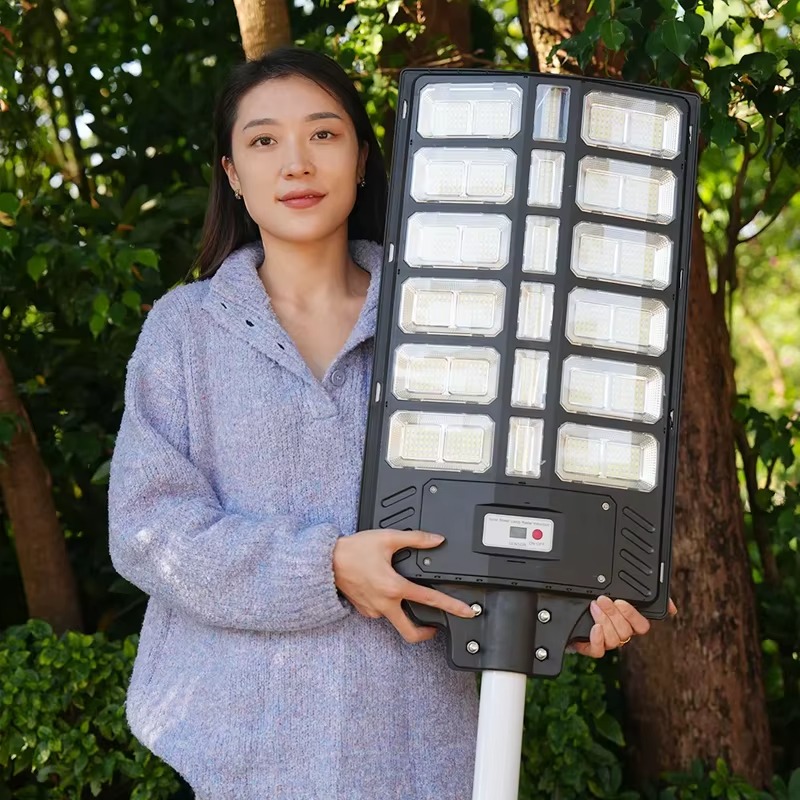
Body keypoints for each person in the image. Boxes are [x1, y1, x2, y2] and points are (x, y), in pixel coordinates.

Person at [108, 46, 676, 800]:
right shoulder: (185, 331)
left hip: (420, 750)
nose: (297, 163)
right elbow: (149, 530)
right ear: (233, 175)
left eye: (324, 133)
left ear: (363, 159)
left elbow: (505, 517)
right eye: (264, 140)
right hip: (233, 754)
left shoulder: (459, 312)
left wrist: (567, 605)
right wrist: (327, 568)